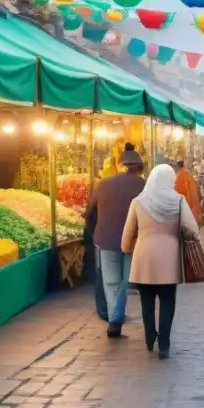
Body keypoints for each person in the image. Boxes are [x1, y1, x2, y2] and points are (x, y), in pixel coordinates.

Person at [121, 164, 200, 360]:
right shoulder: (178, 200)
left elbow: (127, 234)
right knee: (167, 301)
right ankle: (164, 343)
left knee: (146, 301)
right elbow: (192, 229)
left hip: (144, 258)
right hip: (169, 258)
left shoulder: (138, 202)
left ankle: (149, 337)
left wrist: (127, 249)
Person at [86, 144, 145, 338]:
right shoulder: (143, 186)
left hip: (107, 238)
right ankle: (116, 317)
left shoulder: (105, 183)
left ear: (121, 164)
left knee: (110, 282)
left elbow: (90, 212)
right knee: (126, 280)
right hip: (133, 241)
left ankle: (114, 320)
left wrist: (94, 231)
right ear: (139, 167)